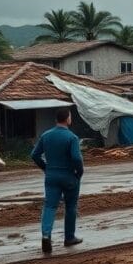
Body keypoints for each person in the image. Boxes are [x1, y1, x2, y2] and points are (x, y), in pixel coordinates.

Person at [31, 108, 84, 254]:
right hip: (68, 176)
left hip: (51, 176)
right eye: (70, 117)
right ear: (67, 119)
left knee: (49, 206)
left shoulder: (46, 135)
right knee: (71, 206)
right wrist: (79, 172)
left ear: (56, 119)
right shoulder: (71, 137)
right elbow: (76, 158)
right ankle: (69, 238)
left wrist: (46, 168)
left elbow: (34, 155)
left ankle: (46, 235)